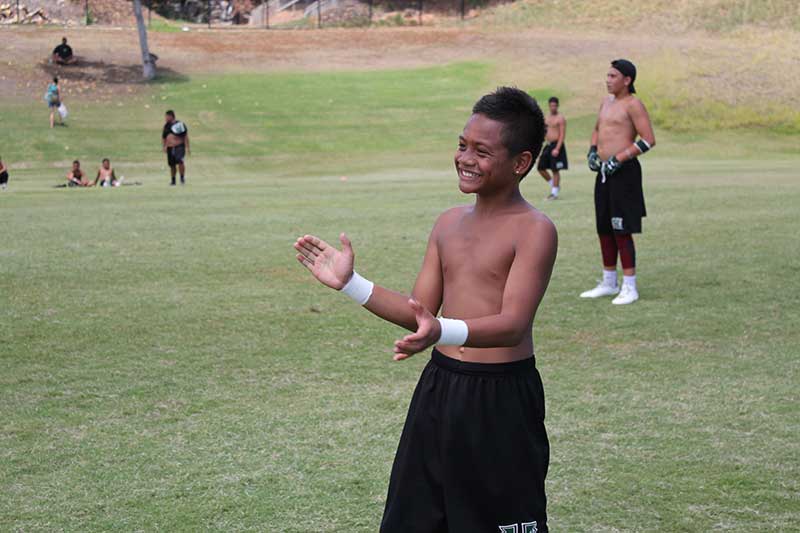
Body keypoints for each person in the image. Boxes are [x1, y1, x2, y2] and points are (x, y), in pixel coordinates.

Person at [294, 87, 557, 532]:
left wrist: (441, 332)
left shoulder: (534, 230)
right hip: (439, 388)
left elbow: (512, 325)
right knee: (416, 518)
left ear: (521, 163)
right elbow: (420, 312)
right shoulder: (448, 223)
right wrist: (351, 284)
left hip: (500, 399)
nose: (465, 158)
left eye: (482, 151)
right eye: (461, 146)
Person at [581, 59, 656, 305]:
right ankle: (609, 282)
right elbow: (596, 129)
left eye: (613, 76)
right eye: (607, 75)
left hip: (624, 174)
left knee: (621, 229)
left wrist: (619, 158)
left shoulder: (633, 104)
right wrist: (593, 151)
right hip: (603, 173)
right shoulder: (606, 102)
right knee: (604, 227)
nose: (608, 79)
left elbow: (648, 139)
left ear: (627, 80)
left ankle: (629, 286)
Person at [537, 96, 567, 200]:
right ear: (549, 106)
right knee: (540, 167)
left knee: (555, 169)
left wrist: (557, 148)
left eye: (555, 105)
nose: (553, 107)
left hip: (556, 145)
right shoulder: (546, 117)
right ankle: (554, 185)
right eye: (551, 106)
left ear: (557, 106)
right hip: (548, 145)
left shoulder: (560, 118)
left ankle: (554, 193)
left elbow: (562, 135)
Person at [162, 110, 190, 185]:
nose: (165, 118)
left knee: (180, 161)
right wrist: (164, 146)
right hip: (170, 148)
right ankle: (173, 180)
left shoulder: (179, 124)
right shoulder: (166, 126)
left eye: (167, 116)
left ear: (171, 116)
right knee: (172, 165)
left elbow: (185, 136)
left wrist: (187, 147)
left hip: (179, 147)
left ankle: (182, 178)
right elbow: (164, 137)